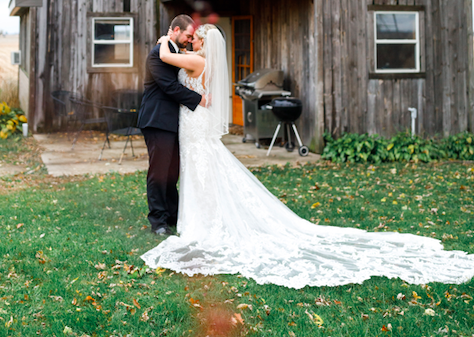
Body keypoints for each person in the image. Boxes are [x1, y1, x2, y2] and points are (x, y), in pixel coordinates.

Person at [141, 23, 474, 288]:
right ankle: (186, 217)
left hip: (193, 126)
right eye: (190, 38)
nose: (192, 42)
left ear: (204, 44)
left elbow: (167, 58)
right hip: (190, 126)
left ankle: (197, 221)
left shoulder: (195, 60)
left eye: (195, 39)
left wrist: (163, 41)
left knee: (203, 174)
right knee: (201, 174)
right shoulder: (203, 60)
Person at [137, 14, 208, 236]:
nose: (189, 40)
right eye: (187, 35)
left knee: (172, 171)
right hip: (157, 120)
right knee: (159, 171)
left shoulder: (173, 51)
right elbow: (169, 87)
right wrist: (200, 99)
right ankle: (158, 220)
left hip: (175, 123)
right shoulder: (158, 54)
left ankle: (173, 214)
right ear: (176, 30)